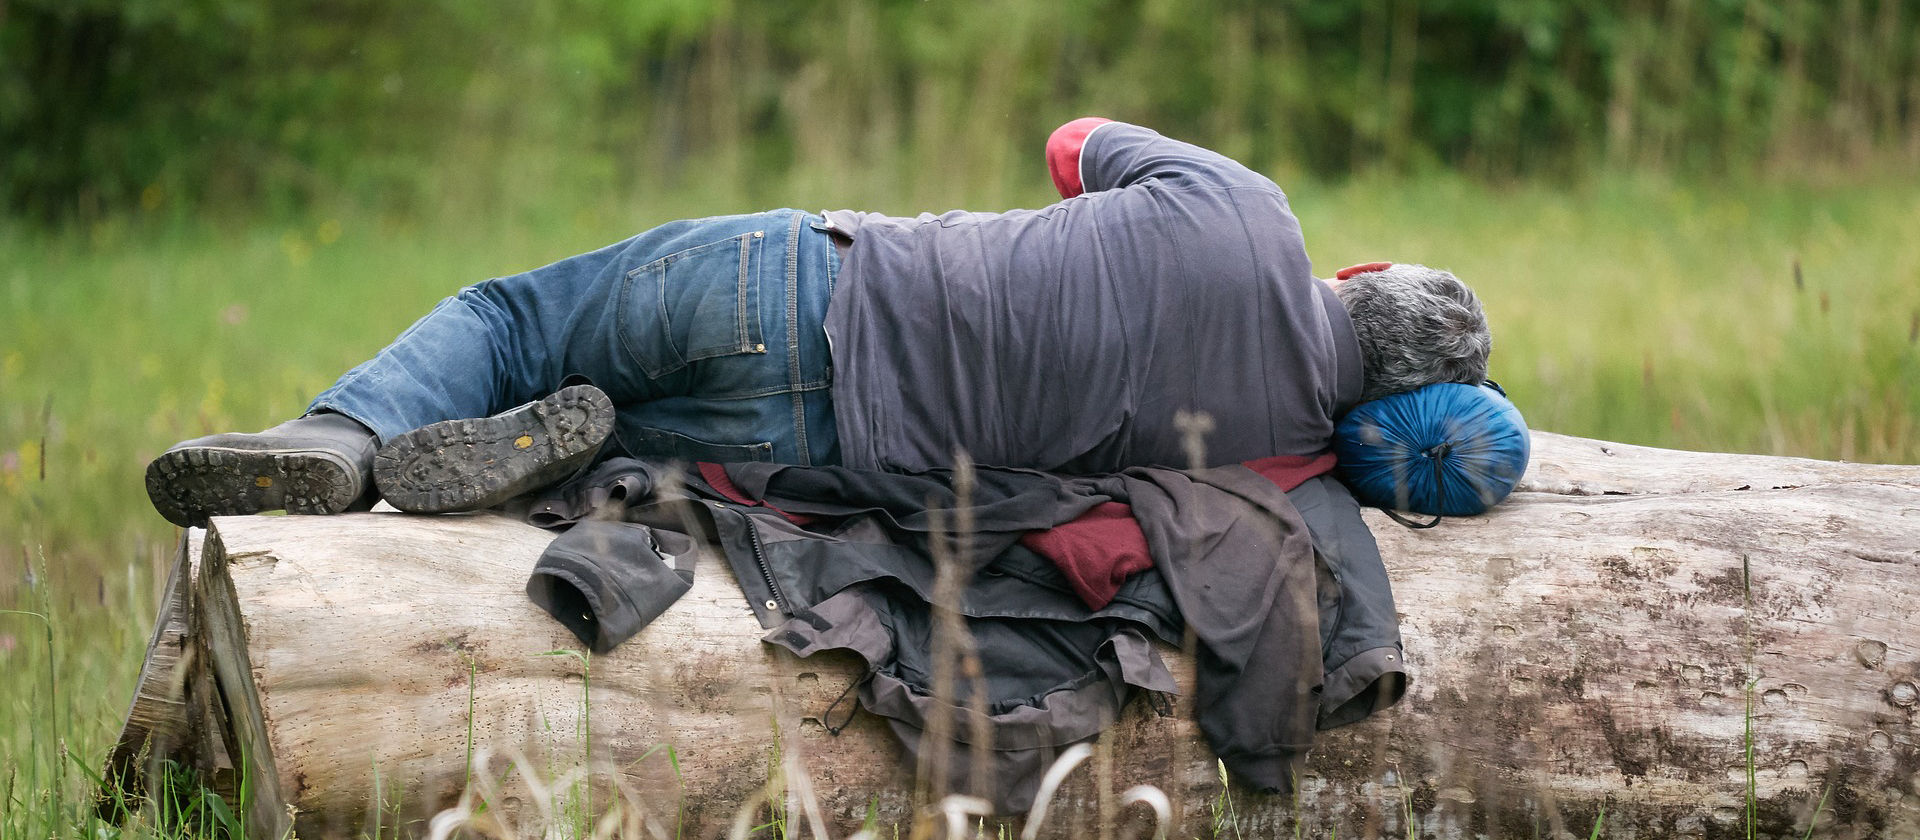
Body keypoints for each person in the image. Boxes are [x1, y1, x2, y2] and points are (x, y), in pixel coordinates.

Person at [144, 118, 1491, 527]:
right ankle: (564, 461)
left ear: (1362, 275)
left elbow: (1069, 142)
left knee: (512, 316)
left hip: (804, 279)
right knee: (640, 432)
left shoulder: (1249, 207)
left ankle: (334, 436)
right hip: (820, 452)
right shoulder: (1273, 454)